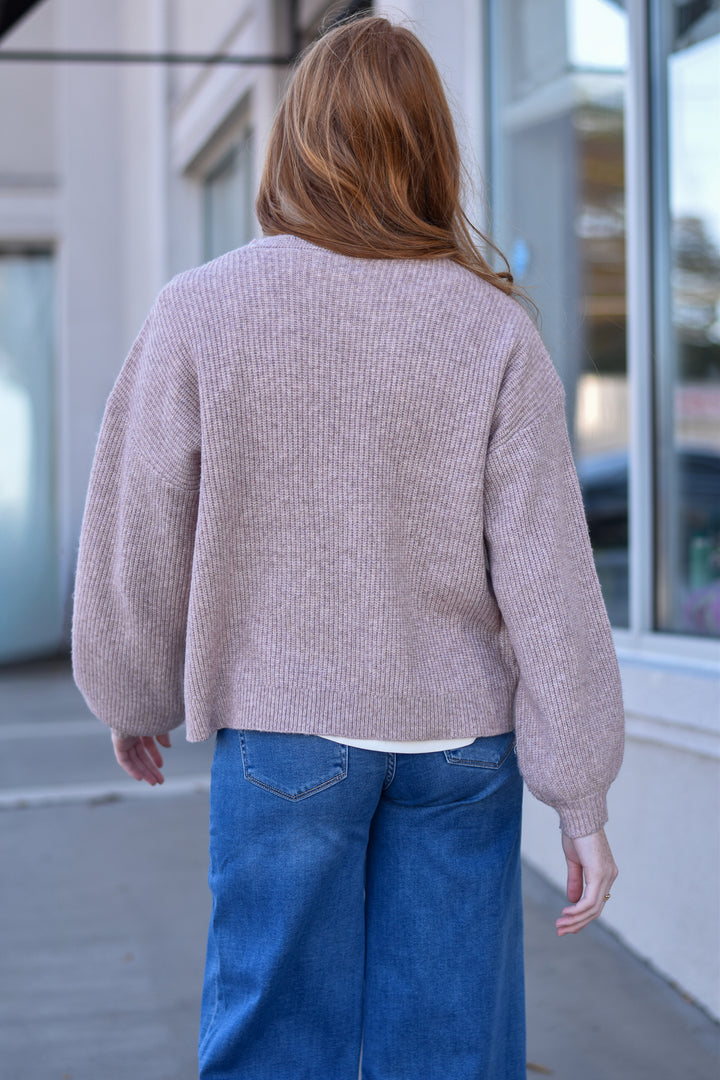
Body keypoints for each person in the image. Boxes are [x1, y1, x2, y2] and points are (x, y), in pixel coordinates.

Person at [72, 14, 624, 1080]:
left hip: (283, 742)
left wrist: (128, 693)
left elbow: (137, 528)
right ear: (430, 151)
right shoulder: (494, 329)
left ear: (293, 141)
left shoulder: (200, 311)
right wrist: (583, 796)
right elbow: (550, 584)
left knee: (275, 1047)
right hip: (462, 747)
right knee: (450, 1053)